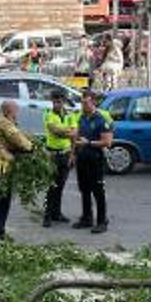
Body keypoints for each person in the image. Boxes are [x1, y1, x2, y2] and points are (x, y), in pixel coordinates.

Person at [0, 100, 34, 245]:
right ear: (8, 112)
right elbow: (18, 139)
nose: (16, 115)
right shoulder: (4, 123)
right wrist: (32, 147)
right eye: (15, 112)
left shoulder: (2, 122)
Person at [71, 90, 114, 233]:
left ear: (93, 102)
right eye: (82, 103)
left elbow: (107, 142)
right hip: (82, 159)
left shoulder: (101, 120)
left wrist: (88, 143)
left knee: (98, 191)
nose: (83, 105)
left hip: (95, 160)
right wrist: (73, 153)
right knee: (84, 190)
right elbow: (77, 138)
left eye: (86, 103)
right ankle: (86, 218)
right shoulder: (82, 117)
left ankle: (102, 221)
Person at [42, 90, 77, 227]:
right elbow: (54, 132)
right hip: (52, 154)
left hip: (66, 154)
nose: (57, 103)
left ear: (63, 101)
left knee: (60, 186)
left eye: (59, 101)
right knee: (52, 186)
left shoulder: (70, 115)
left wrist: (73, 154)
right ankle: (47, 215)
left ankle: (57, 213)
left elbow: (75, 135)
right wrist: (68, 132)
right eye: (55, 101)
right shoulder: (47, 114)